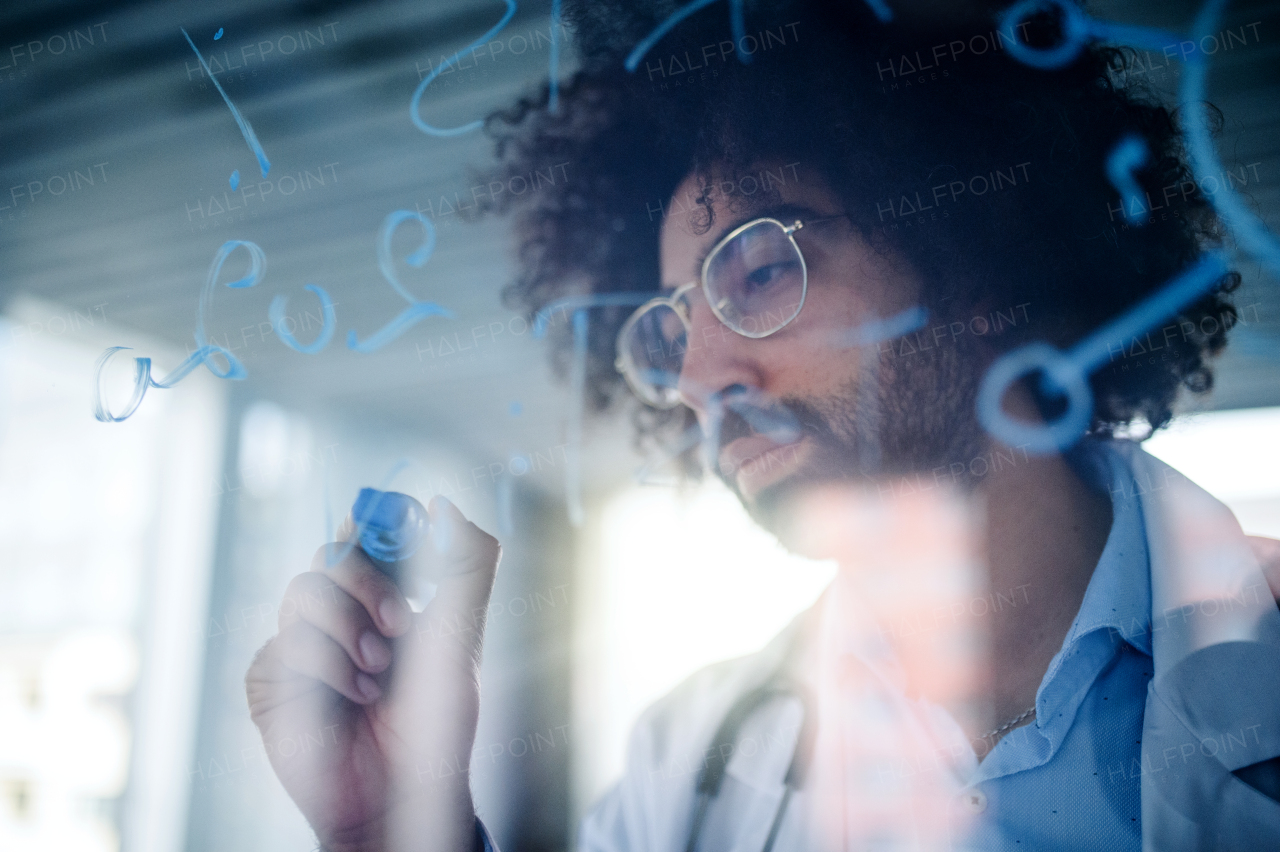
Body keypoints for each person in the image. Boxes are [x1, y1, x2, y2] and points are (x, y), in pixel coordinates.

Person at [245, 1, 1280, 849]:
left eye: (761, 269)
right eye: (667, 329)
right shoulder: (688, 765)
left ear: (981, 266)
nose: (699, 376)